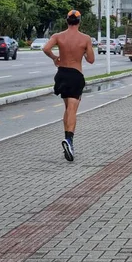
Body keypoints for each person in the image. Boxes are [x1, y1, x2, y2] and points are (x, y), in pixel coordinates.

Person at [43, 10, 95, 162]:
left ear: (67, 21)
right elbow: (91, 59)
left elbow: (46, 48)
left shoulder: (58, 36)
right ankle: (69, 141)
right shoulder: (85, 38)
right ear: (79, 22)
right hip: (75, 75)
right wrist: (84, 51)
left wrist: (54, 57)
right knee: (72, 109)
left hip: (62, 74)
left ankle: (67, 137)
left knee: (67, 108)